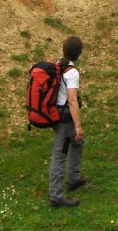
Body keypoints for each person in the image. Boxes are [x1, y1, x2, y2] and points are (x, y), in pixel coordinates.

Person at [49, 35, 89, 207]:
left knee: (78, 142)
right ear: (79, 53)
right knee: (60, 155)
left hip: (58, 114)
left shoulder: (58, 65)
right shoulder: (71, 72)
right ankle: (56, 196)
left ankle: (73, 178)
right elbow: (72, 100)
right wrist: (78, 125)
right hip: (65, 119)